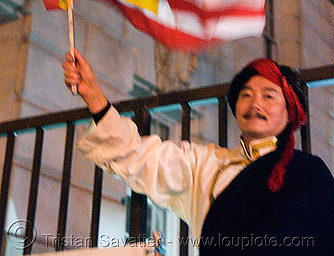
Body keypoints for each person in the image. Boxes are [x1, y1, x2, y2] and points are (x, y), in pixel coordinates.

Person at [63, 50, 334, 255]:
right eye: (246, 95)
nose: (255, 104)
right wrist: (94, 96)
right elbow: (137, 155)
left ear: (290, 112)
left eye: (269, 95)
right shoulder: (206, 165)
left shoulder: (309, 174)